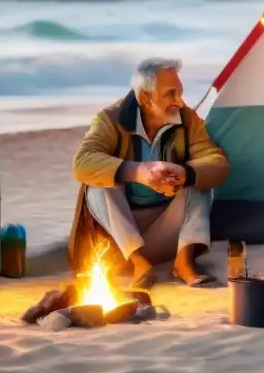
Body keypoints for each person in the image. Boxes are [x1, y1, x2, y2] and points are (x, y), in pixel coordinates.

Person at [68, 57, 230, 289]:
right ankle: (139, 264)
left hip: (166, 231)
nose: (179, 101)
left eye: (180, 93)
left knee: (199, 178)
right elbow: (82, 162)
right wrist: (138, 172)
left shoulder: (186, 119)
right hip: (119, 240)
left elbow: (216, 161)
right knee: (98, 183)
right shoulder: (110, 119)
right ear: (144, 97)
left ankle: (184, 262)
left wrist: (184, 172)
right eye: (170, 94)